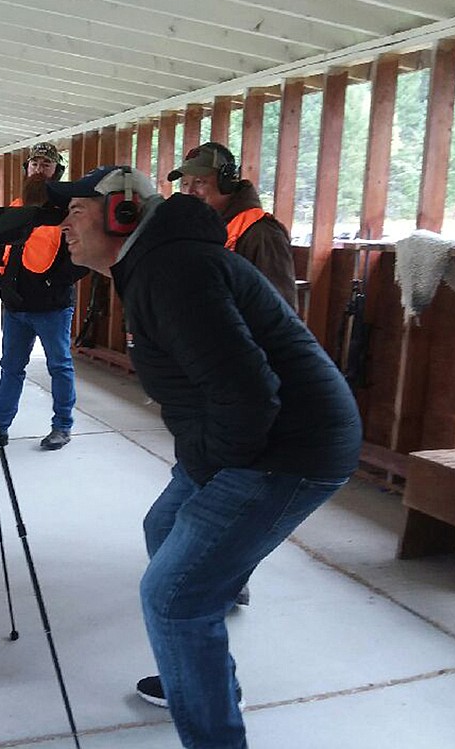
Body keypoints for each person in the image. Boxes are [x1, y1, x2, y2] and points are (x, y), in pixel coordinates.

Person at [48, 165, 361, 749]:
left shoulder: (173, 270)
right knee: (164, 525)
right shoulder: (153, 266)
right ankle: (198, 676)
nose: (64, 225)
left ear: (123, 211)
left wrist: (210, 468)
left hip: (291, 448)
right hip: (256, 439)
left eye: (75, 211)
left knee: (174, 597)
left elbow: (247, 394)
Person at [0, 141, 88, 451]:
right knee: (10, 368)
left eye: (45, 165)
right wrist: (2, 281)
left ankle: (62, 427)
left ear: (56, 171)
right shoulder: (17, 206)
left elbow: (84, 255)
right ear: (27, 169)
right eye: (34, 164)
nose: (38, 169)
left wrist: (54, 283)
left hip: (52, 307)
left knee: (59, 366)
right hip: (16, 306)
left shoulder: (69, 209)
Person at [168, 142, 298, 310]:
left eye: (200, 182)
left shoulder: (261, 233)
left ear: (227, 183)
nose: (189, 191)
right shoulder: (198, 231)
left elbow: (281, 311)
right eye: (185, 184)